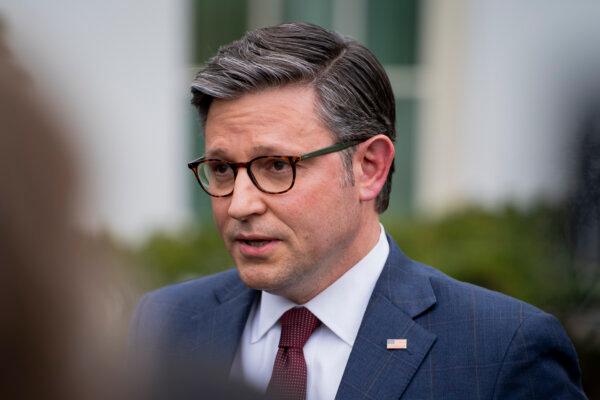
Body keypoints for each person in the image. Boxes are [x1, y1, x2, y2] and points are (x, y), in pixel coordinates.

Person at [130, 22, 587, 399]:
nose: (241, 204)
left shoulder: (501, 349)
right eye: (223, 169)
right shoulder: (164, 324)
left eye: (276, 166)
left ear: (370, 167)